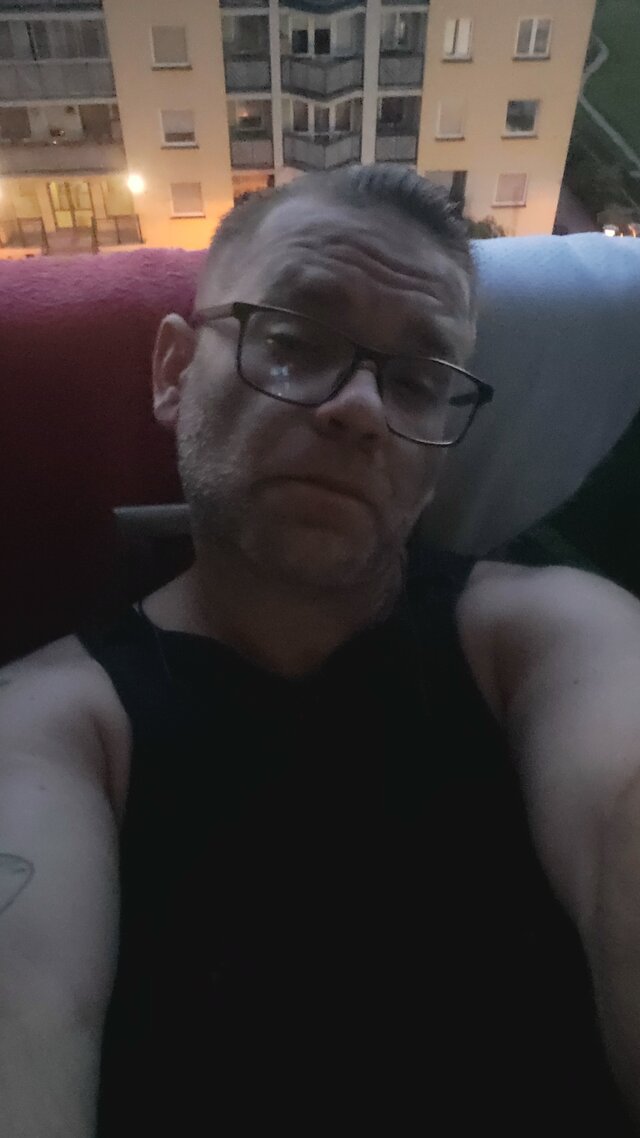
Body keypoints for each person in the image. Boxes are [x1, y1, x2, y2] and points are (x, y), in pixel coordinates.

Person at [1, 164, 640, 1137]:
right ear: (173, 373)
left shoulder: (546, 637)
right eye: (294, 340)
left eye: (417, 381)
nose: (362, 409)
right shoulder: (54, 732)